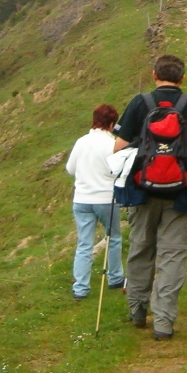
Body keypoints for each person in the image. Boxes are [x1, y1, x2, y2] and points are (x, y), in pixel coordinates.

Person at [113, 54, 187, 340]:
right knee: (172, 256)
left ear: (154, 74)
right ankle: (163, 322)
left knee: (141, 248)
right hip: (180, 195)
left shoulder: (139, 103)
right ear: (182, 78)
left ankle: (137, 308)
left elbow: (118, 148)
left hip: (141, 192)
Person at [66, 103, 124, 300]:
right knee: (113, 238)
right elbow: (116, 171)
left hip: (82, 199)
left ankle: (81, 287)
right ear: (112, 124)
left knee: (84, 243)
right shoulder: (112, 144)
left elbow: (70, 169)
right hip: (106, 198)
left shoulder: (81, 142)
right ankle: (115, 277)